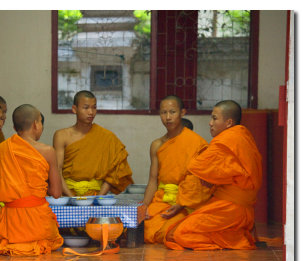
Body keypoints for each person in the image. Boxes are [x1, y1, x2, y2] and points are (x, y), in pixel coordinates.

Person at [165, 100, 262, 250]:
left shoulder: (227, 140)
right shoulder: (243, 136)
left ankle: (237, 239)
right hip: (239, 208)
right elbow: (232, 172)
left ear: (229, 122)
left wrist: (208, 178)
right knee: (173, 232)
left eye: (214, 118)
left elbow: (196, 166)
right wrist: (212, 178)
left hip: (230, 209)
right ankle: (235, 235)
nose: (210, 123)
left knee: (178, 235)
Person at [0, 104, 63, 256]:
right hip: (37, 223)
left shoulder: (0, 150)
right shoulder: (47, 151)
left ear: (15, 127)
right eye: (41, 122)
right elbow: (56, 192)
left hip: (10, 225)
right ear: (36, 124)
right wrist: (37, 188)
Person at [142, 95, 211, 244]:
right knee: (142, 228)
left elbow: (200, 182)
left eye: (172, 112)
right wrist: (144, 207)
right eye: (163, 112)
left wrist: (180, 204)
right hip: (162, 201)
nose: (168, 117)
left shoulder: (197, 143)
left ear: (182, 112)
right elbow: (153, 180)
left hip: (186, 203)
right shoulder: (157, 145)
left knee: (175, 232)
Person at [53, 90, 133, 197]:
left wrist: (99, 197)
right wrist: (72, 198)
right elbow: (56, 171)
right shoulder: (61, 136)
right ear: (74, 109)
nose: (91, 112)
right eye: (86, 108)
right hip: (67, 195)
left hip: (96, 195)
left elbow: (113, 173)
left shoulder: (107, 137)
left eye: (94, 107)